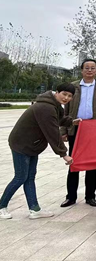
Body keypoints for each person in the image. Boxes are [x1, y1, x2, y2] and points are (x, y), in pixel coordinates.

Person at [0, 84, 77, 220]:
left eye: (70, 96)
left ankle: (34, 209)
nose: (66, 98)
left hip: (32, 144)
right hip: (21, 144)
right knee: (20, 177)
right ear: (57, 92)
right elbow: (52, 132)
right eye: (64, 94)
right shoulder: (46, 107)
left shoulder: (53, 105)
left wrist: (72, 122)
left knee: (30, 177)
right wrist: (64, 154)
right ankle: (1, 206)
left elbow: (58, 119)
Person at [61, 58, 96, 208]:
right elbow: (66, 110)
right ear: (82, 70)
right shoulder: (74, 86)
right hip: (76, 127)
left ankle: (90, 196)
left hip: (93, 129)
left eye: (92, 68)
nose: (89, 70)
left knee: (91, 164)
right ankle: (71, 197)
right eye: (86, 68)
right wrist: (64, 130)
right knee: (73, 162)